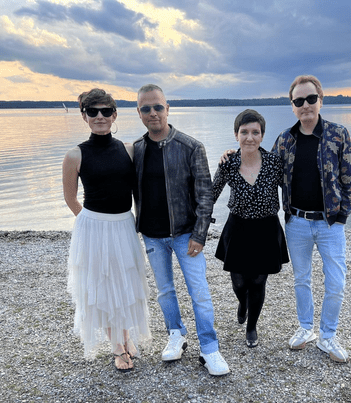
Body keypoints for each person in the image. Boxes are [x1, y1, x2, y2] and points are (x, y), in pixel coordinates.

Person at [133, 84, 230, 376]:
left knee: (199, 293)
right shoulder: (136, 150)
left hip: (186, 234)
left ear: (167, 108)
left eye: (157, 107)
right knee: (164, 291)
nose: (153, 113)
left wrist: (200, 235)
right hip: (152, 235)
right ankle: (176, 334)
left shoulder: (191, 147)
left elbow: (205, 196)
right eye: (146, 108)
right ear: (139, 112)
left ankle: (209, 348)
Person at [62, 88, 151, 372]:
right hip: (93, 228)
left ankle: (125, 335)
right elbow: (71, 199)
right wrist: (92, 224)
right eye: (93, 111)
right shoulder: (75, 155)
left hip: (124, 224)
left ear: (114, 115)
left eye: (105, 111)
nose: (99, 116)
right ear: (84, 116)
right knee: (102, 286)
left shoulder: (129, 149)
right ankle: (117, 346)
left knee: (125, 282)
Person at [271, 75, 351, 363]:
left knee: (336, 282)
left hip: (331, 223)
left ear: (320, 100)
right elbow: (266, 171)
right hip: (296, 223)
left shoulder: (338, 134)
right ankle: (306, 328)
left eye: (310, 99)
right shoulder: (285, 139)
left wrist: (343, 214)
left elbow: (349, 178)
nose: (305, 105)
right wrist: (235, 155)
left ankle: (327, 335)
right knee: (301, 279)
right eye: (299, 101)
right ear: (292, 106)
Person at [213, 109, 289, 348]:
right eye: (244, 132)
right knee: (239, 283)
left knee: (257, 282)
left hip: (266, 229)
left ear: (262, 135)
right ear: (236, 134)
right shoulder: (228, 163)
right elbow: (211, 193)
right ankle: (242, 303)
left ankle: (252, 327)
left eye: (255, 132)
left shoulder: (274, 163)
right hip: (238, 228)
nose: (249, 137)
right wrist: (197, 220)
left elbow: (291, 190)